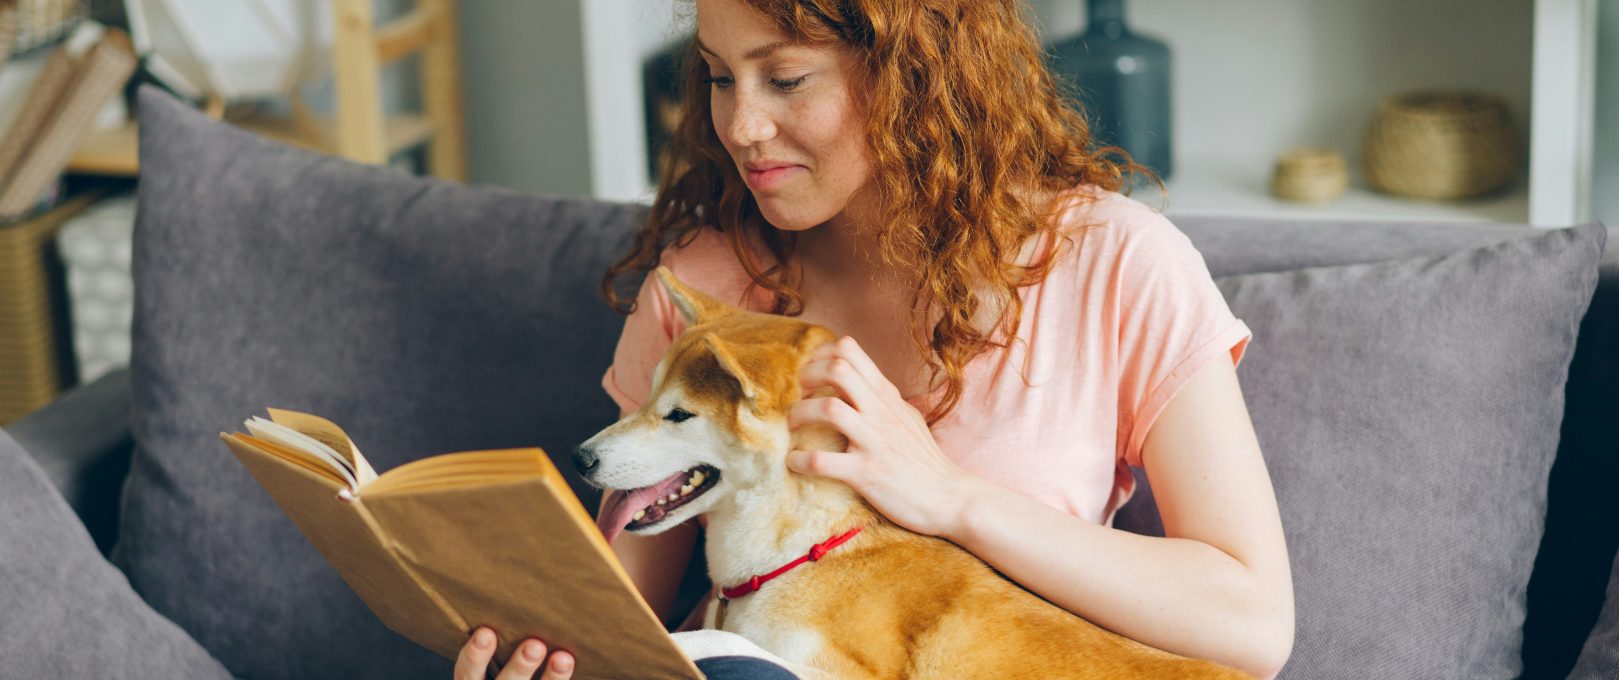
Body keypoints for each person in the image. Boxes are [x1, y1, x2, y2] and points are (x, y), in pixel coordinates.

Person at [456, 0, 1294, 678]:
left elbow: (1251, 624)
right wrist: (545, 658)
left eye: (784, 78)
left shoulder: (1114, 265)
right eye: (717, 77)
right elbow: (618, 620)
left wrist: (950, 498)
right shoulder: (705, 291)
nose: (740, 125)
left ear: (912, 72)